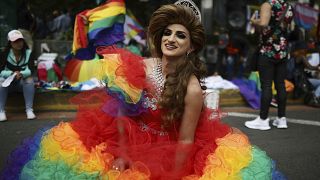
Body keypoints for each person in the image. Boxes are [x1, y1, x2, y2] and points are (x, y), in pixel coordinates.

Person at [1, 2, 285, 179]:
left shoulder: (192, 88)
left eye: (181, 35)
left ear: (192, 46)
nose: (171, 39)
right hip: (124, 142)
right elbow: (120, 118)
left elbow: (186, 141)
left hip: (168, 150)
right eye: (168, 33)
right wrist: (122, 154)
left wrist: (172, 174)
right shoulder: (137, 68)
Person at [245, 0, 294, 130]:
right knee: (280, 85)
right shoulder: (288, 6)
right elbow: (287, 27)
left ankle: (263, 119)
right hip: (282, 52)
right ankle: (281, 119)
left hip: (268, 51)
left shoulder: (268, 4)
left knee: (266, 85)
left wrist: (253, 21)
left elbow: (263, 24)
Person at [0, 30, 36, 122]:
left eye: (20, 40)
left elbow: (31, 70)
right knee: (0, 80)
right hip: (8, 85)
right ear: (10, 43)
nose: (18, 43)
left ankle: (29, 110)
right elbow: (1, 71)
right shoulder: (4, 54)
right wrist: (12, 74)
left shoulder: (29, 53)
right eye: (15, 41)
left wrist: (21, 74)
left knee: (29, 79)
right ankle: (1, 111)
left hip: (22, 84)